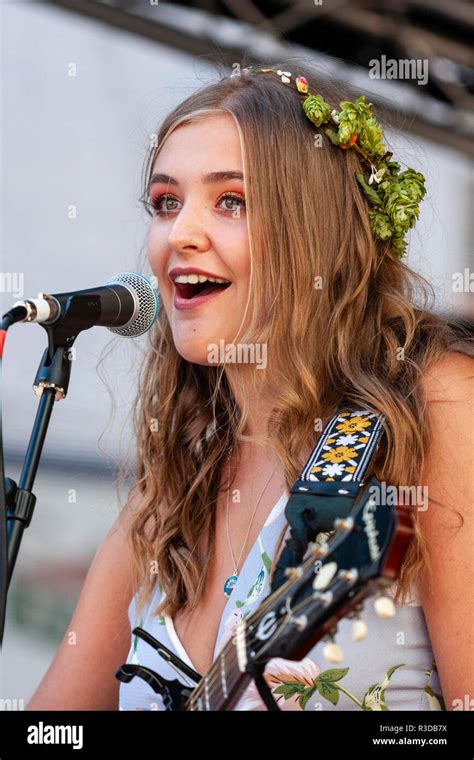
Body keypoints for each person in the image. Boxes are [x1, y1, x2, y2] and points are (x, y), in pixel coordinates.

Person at [26, 62, 473, 712]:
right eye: (165, 203)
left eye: (230, 201)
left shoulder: (434, 409)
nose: (180, 233)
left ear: (315, 230)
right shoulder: (174, 491)